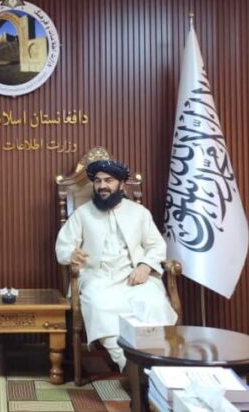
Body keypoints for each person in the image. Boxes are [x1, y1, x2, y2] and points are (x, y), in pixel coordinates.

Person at [55, 159, 178, 371]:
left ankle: (156, 363)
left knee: (153, 302)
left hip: (135, 276)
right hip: (97, 277)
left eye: (108, 181)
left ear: (121, 184)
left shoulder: (139, 213)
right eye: (98, 181)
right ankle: (128, 365)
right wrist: (72, 254)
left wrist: (145, 266)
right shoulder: (82, 213)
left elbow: (156, 245)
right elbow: (63, 246)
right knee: (100, 305)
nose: (102, 186)